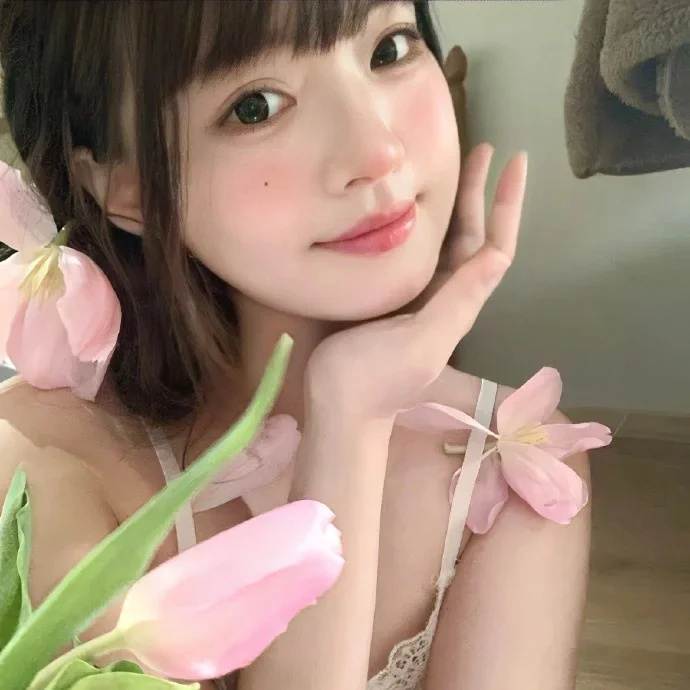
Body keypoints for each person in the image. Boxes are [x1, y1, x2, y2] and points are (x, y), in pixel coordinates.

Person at [0, 2, 591, 688]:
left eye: (390, 48)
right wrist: (347, 431)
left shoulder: (519, 460)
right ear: (127, 191)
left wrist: (354, 407)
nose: (377, 151)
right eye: (255, 107)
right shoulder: (39, 459)